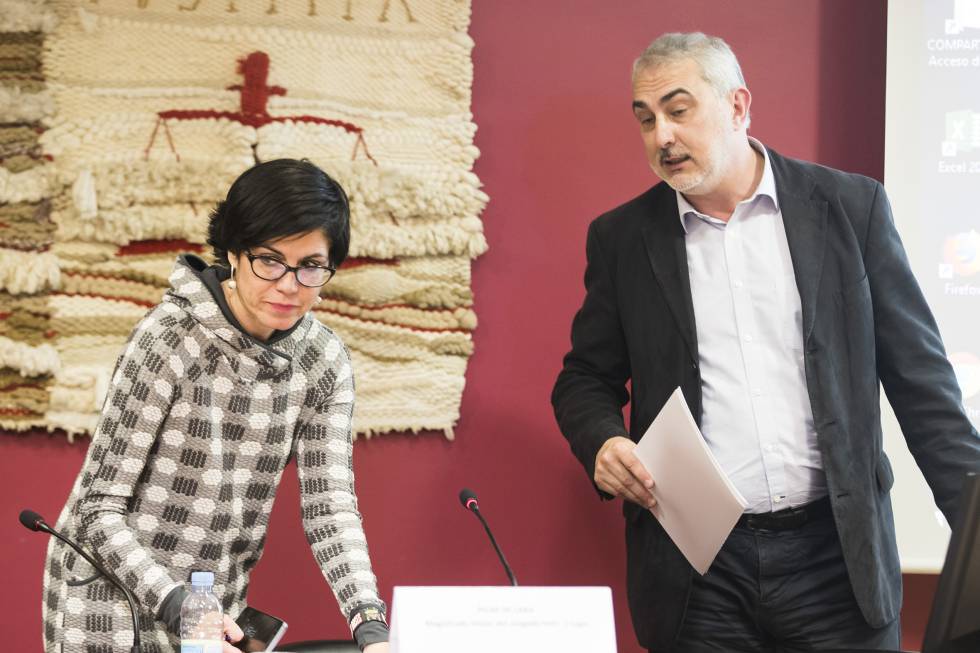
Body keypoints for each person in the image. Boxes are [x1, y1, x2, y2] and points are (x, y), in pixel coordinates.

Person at [551, 32, 980, 653]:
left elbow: (923, 384)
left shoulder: (849, 208)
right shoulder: (622, 239)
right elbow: (583, 378)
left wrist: (973, 526)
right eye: (645, 120)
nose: (660, 136)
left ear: (737, 106)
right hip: (699, 572)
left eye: (678, 110)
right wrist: (604, 440)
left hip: (837, 560)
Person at [42, 159, 389, 653]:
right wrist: (180, 607)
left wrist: (370, 625)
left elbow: (329, 508)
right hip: (107, 602)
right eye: (269, 260)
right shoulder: (168, 337)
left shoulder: (322, 361)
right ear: (232, 250)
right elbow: (98, 509)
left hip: (212, 604)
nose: (289, 284)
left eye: (311, 266)